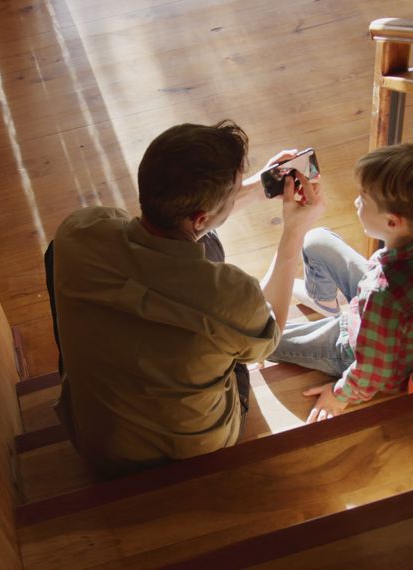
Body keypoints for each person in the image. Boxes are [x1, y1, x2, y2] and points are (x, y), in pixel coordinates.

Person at [47, 120, 323, 476]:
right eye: (236, 189)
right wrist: (293, 234)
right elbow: (268, 336)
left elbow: (169, 228)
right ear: (201, 217)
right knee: (226, 294)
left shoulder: (79, 231)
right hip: (193, 452)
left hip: (96, 442)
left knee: (63, 255)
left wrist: (255, 189)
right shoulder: (229, 297)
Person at [269, 143, 413, 423]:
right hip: (392, 324)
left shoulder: (382, 293)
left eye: (363, 200)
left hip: (357, 349)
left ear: (393, 222)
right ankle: (326, 303)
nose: (356, 202)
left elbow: (374, 369)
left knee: (265, 340)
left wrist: (340, 394)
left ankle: (333, 315)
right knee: (316, 239)